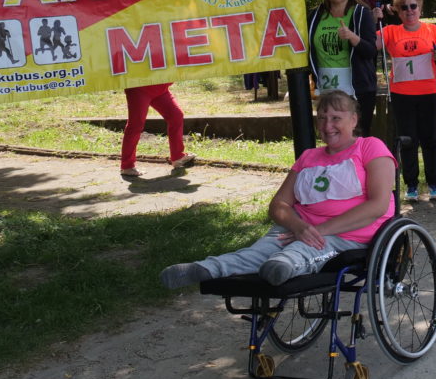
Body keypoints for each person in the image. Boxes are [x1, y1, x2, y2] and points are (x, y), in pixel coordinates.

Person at [159, 90, 395, 288]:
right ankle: (205, 269)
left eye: (336, 118)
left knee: (300, 253)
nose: (327, 125)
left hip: (347, 235)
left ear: (353, 120)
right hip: (300, 228)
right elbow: (279, 204)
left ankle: (283, 266)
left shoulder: (370, 147)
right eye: (322, 118)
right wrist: (299, 226)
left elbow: (378, 206)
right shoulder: (309, 157)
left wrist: (317, 231)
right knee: (257, 252)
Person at [380, 0, 436, 202]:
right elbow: (367, 44)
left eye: (413, 6)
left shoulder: (432, 30)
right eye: (404, 7)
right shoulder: (390, 32)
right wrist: (372, 19)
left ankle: (434, 182)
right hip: (402, 94)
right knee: (408, 139)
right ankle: (411, 184)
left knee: (431, 138)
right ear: (398, 12)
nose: (409, 11)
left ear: (419, 8)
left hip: (429, 92)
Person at [308, 0, 379, 135]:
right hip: (327, 88)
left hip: (357, 88)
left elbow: (370, 51)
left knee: (356, 137)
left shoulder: (361, 13)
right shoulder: (316, 16)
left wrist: (352, 37)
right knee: (331, 134)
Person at [120, 82, 195, 177]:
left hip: (161, 89)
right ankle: (127, 166)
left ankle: (178, 157)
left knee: (176, 115)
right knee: (135, 125)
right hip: (139, 89)